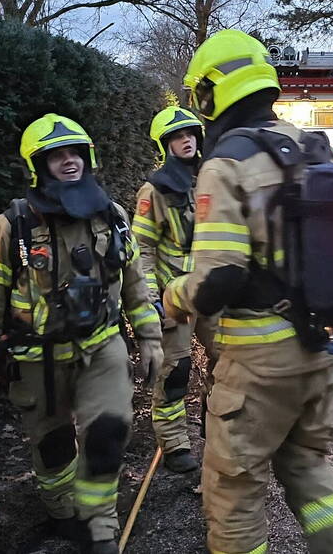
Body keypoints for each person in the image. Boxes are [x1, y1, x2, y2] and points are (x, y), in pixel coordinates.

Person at [165, 30, 333, 554]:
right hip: (319, 351)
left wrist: (172, 295)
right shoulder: (315, 149)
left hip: (259, 360)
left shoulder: (227, 162)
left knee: (233, 493)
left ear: (209, 94)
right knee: (309, 470)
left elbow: (219, 280)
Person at [0, 114, 163, 553]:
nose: (69, 162)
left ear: (88, 158)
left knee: (107, 436)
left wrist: (149, 337)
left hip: (103, 346)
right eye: (57, 156)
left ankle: (99, 525)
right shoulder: (10, 227)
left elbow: (132, 283)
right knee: (53, 448)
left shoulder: (114, 217)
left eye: (75, 153)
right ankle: (61, 510)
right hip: (39, 358)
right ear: (39, 166)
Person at [132, 105, 214, 473]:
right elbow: (142, 250)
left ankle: (217, 425)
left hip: (213, 288)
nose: (186, 140)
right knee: (176, 370)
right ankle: (175, 443)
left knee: (228, 362)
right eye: (178, 136)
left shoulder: (210, 179)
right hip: (174, 294)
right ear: (165, 145)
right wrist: (151, 299)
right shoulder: (154, 191)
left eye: (191, 134)